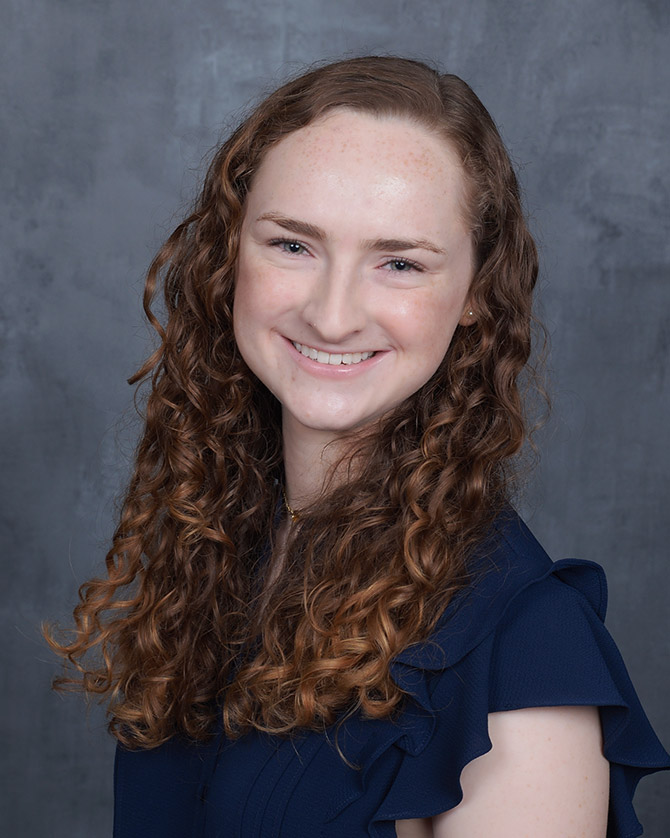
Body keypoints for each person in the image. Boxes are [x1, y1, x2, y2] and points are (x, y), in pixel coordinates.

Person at [46, 56, 669, 838]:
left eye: (399, 262)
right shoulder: (219, 551)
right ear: (229, 253)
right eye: (293, 246)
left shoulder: (525, 655)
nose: (333, 315)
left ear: (478, 292)